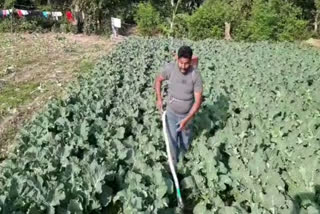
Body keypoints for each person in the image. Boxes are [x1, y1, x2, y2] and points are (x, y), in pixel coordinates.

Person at [154, 46, 203, 165]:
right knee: (172, 141)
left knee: (185, 142)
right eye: (181, 63)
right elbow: (158, 80)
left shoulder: (195, 75)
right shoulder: (170, 69)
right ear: (177, 59)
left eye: (186, 64)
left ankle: (183, 162)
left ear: (191, 61)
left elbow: (197, 102)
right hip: (171, 114)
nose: (183, 66)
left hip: (187, 116)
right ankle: (174, 165)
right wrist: (159, 99)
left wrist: (186, 119)